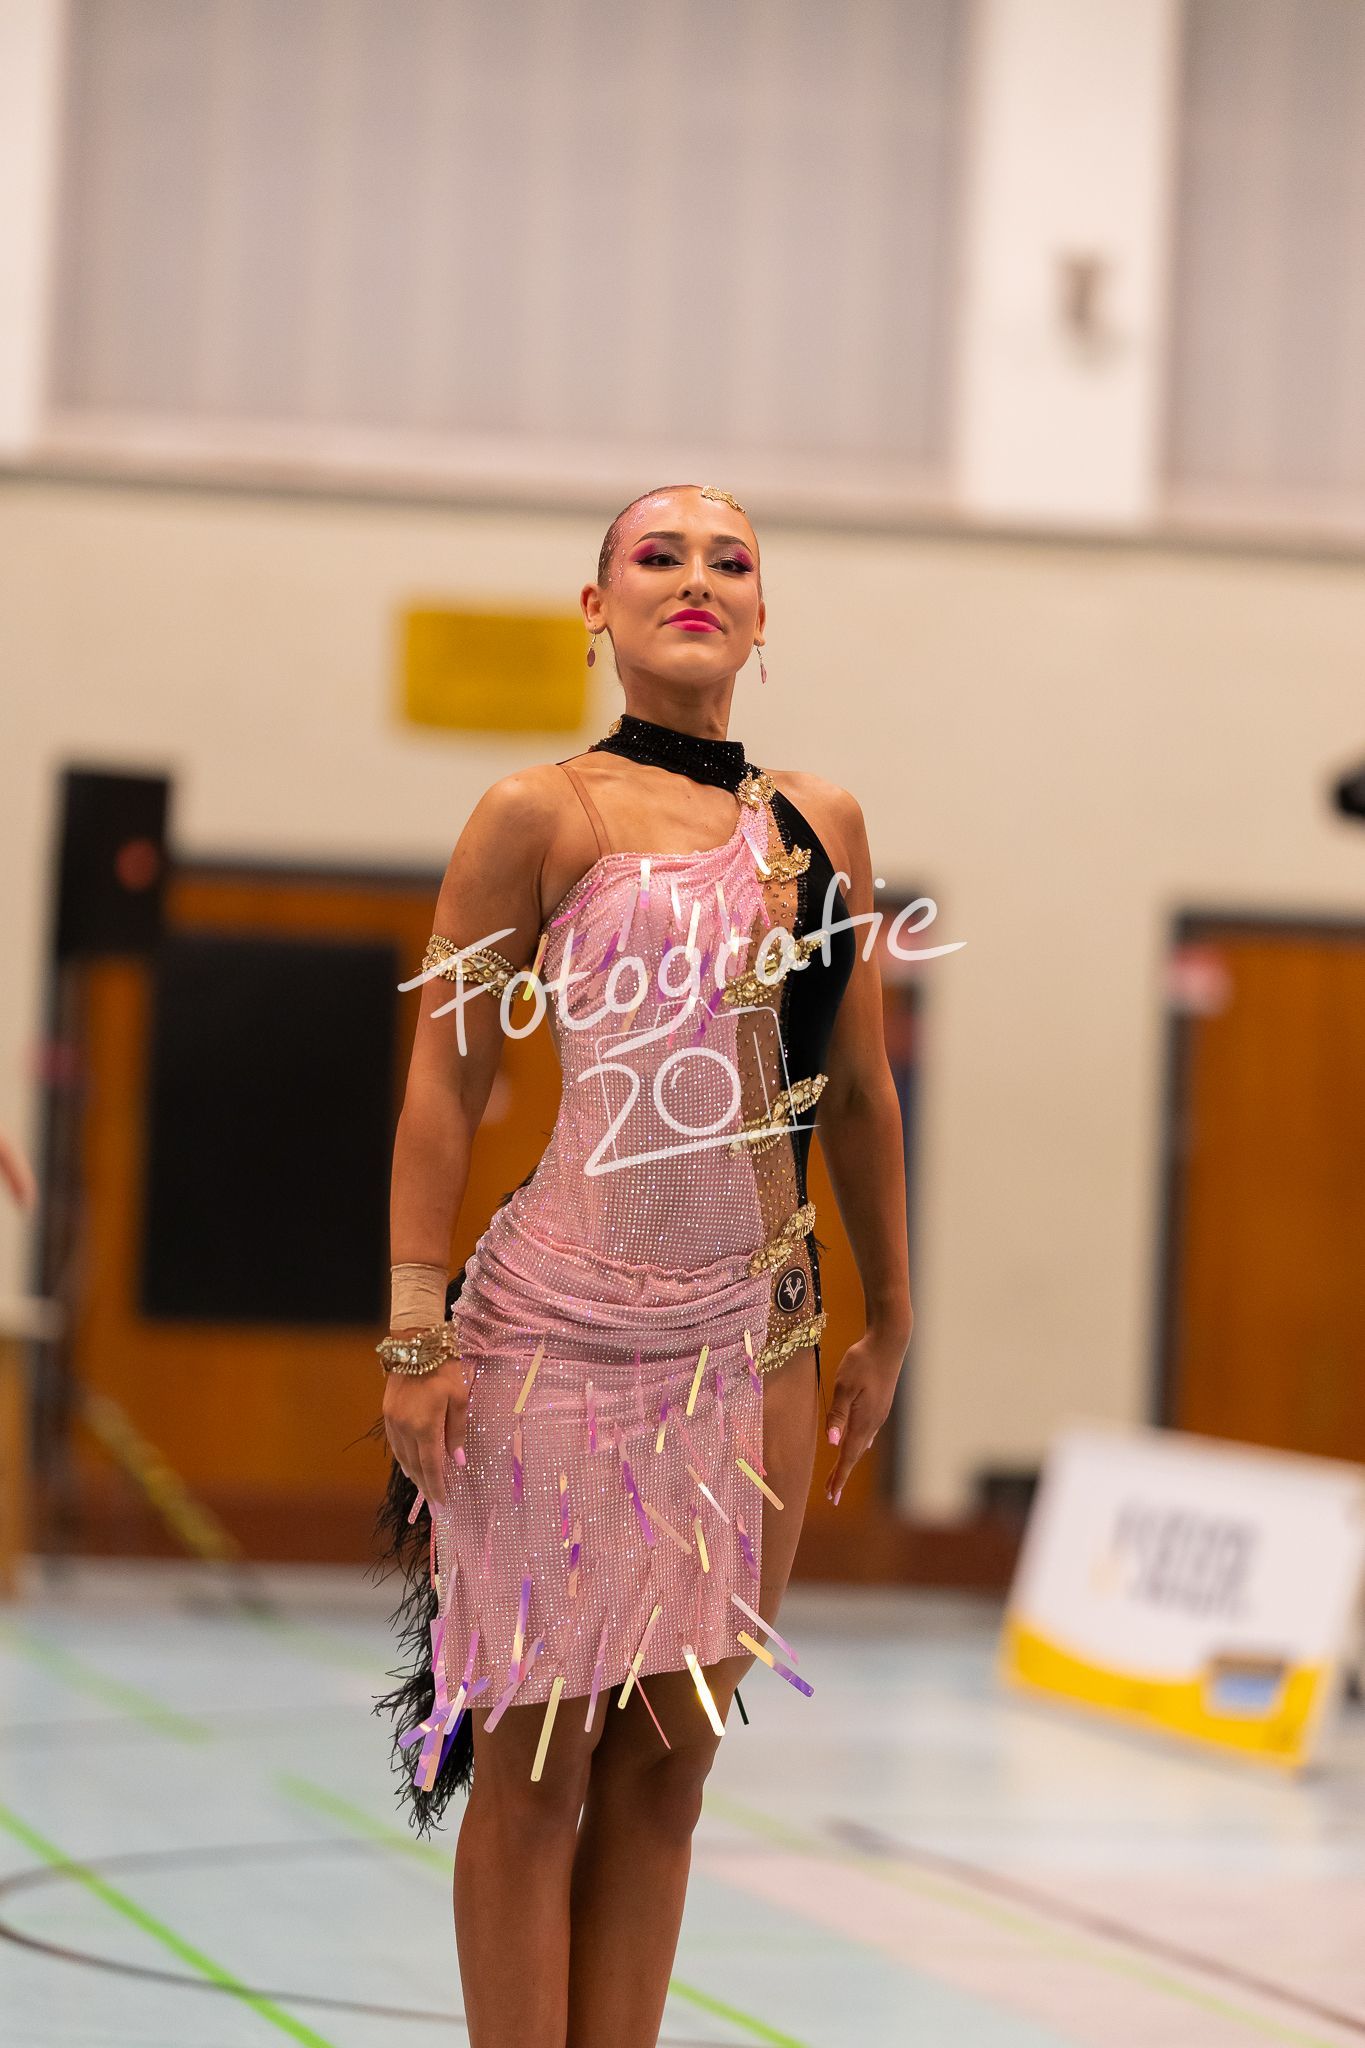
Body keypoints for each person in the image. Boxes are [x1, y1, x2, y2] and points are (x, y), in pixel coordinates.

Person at [374, 482, 912, 2048]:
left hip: (758, 1341)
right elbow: (444, 1082)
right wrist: (413, 1332)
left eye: (728, 561)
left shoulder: (823, 823)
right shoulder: (538, 814)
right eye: (656, 556)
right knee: (537, 1773)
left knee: (670, 1768)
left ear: (762, 613)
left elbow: (858, 1093)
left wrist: (892, 1317)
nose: (696, 579)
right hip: (554, 1341)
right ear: (594, 606)